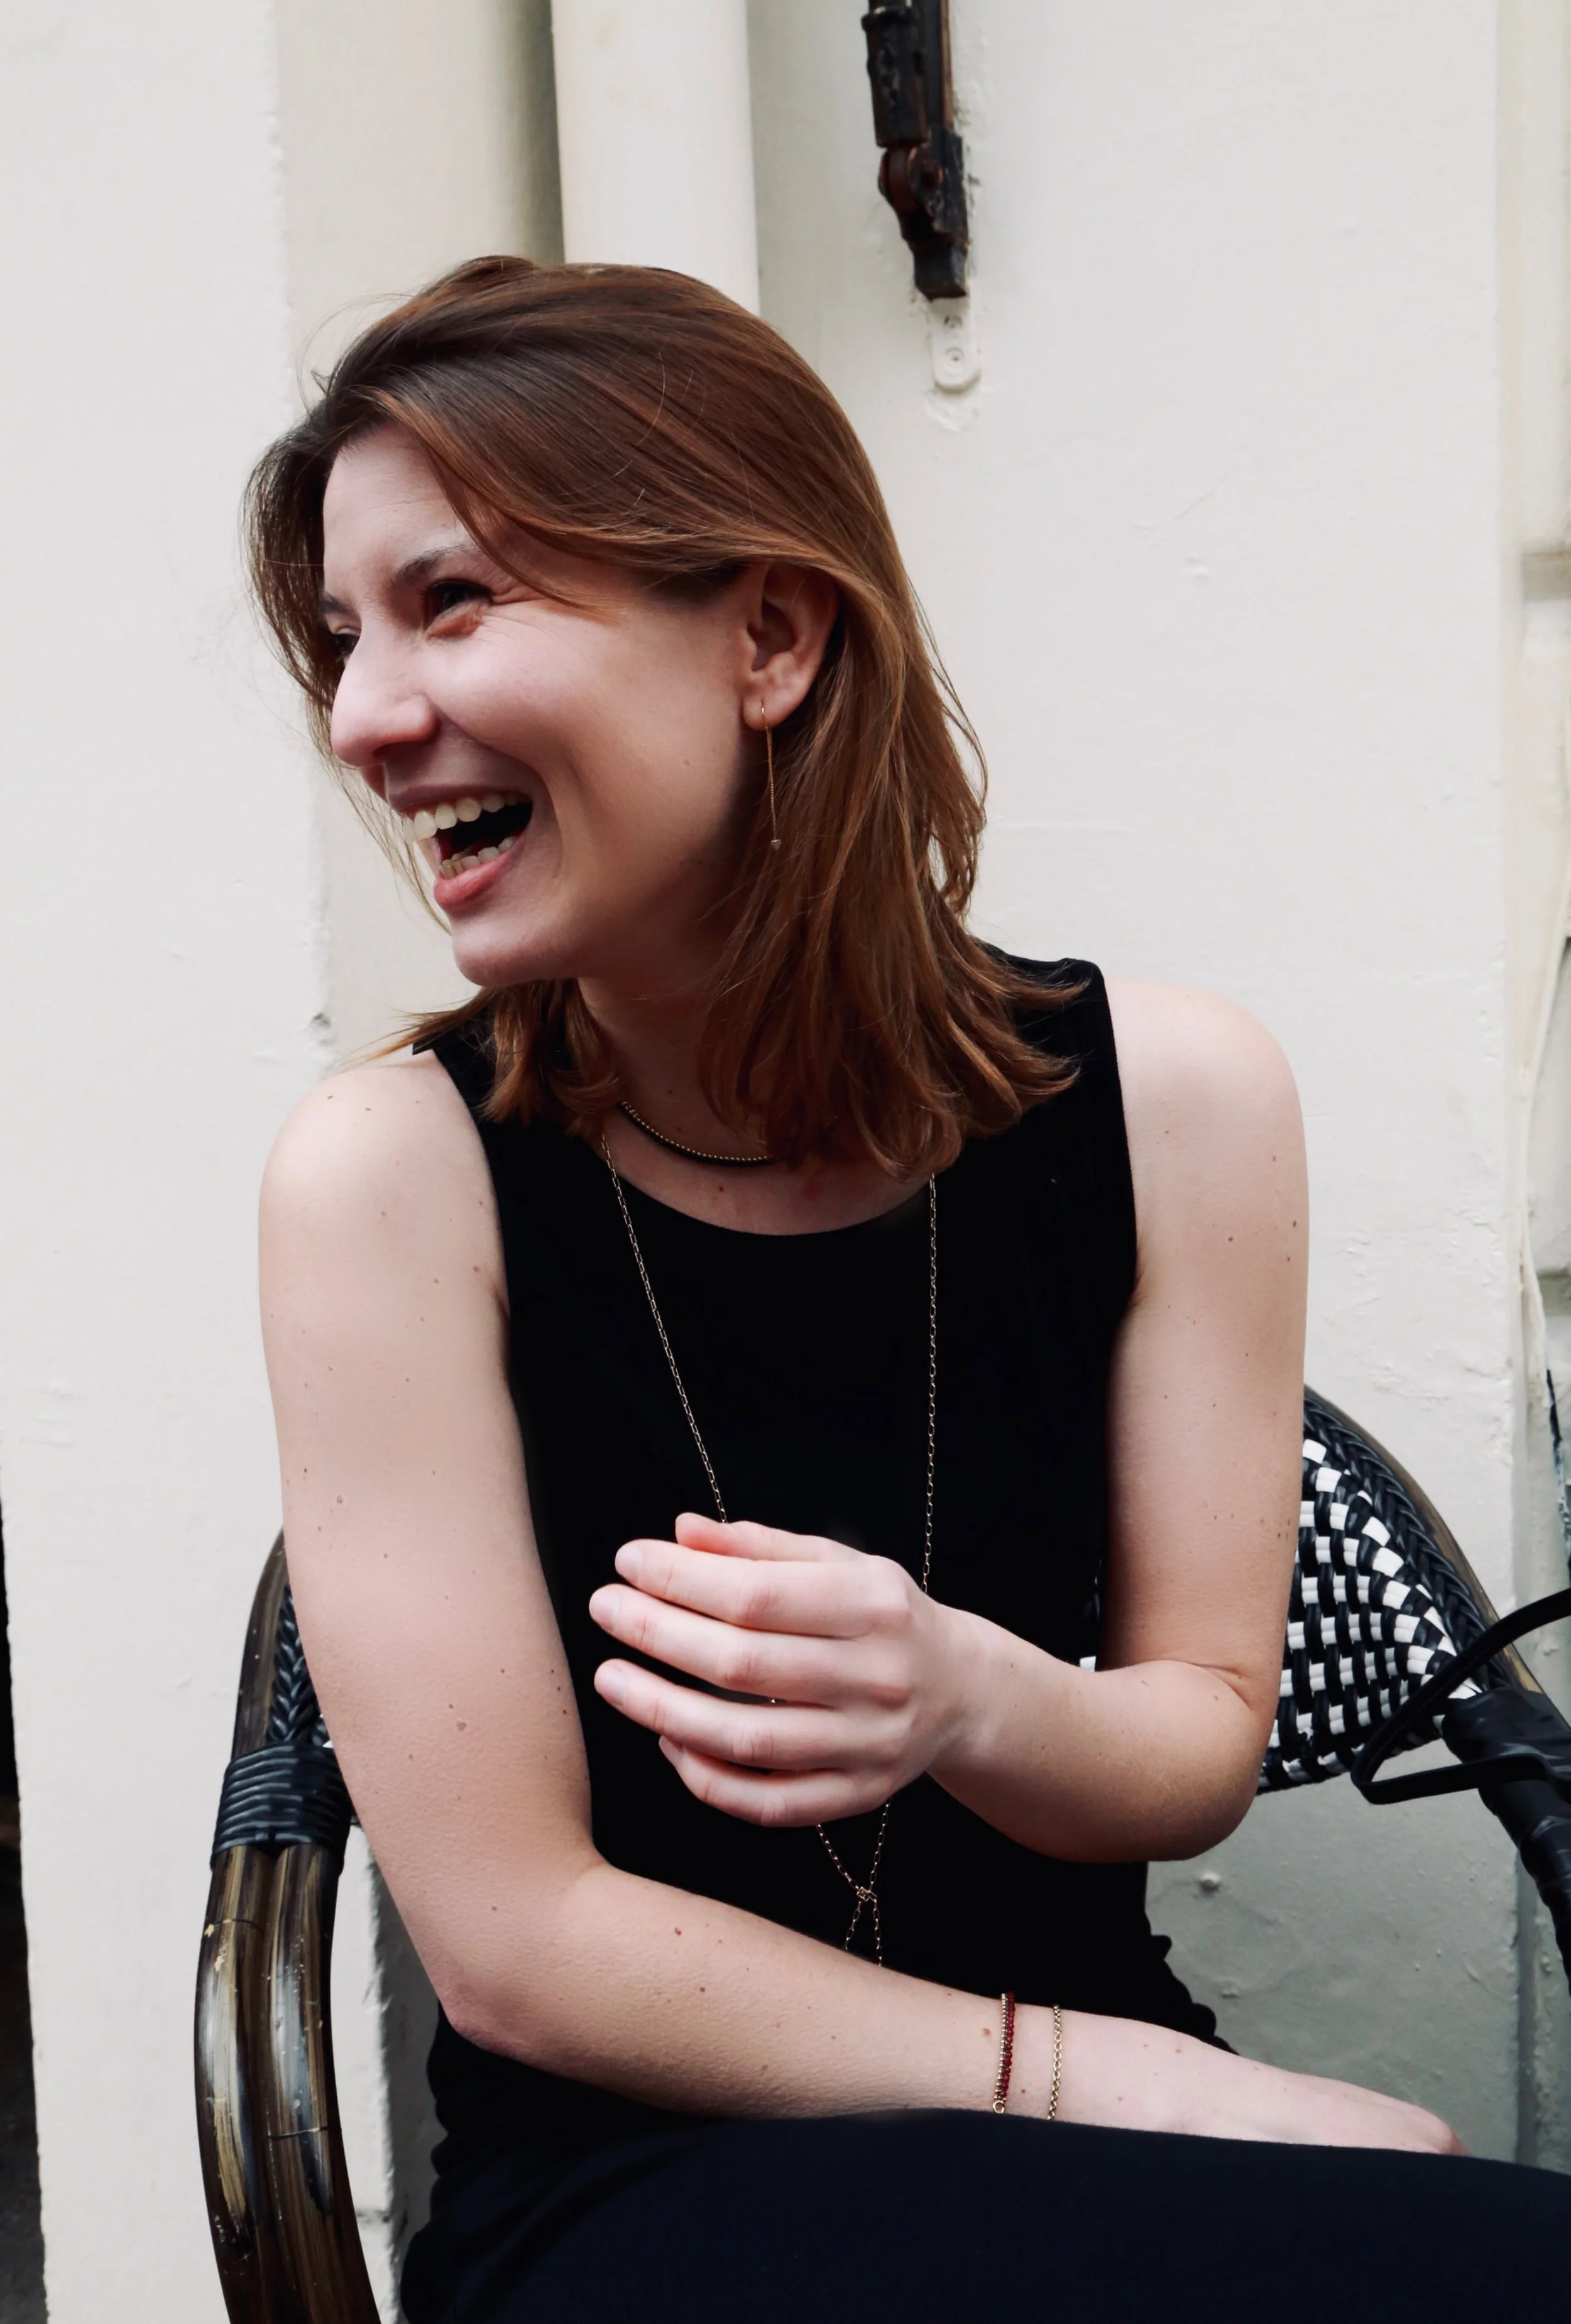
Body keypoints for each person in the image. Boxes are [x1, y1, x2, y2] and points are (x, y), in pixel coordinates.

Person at [250, 258, 1571, 2321]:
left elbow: (1195, 1736)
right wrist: (1099, 2076)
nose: (362, 716)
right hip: (637, 2184)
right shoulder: (390, 1181)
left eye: (452, 602)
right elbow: (517, 1939)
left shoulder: (1179, 1105)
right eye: (343, 637)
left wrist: (968, 1693)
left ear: (767, 634)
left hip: (1111, 2168)